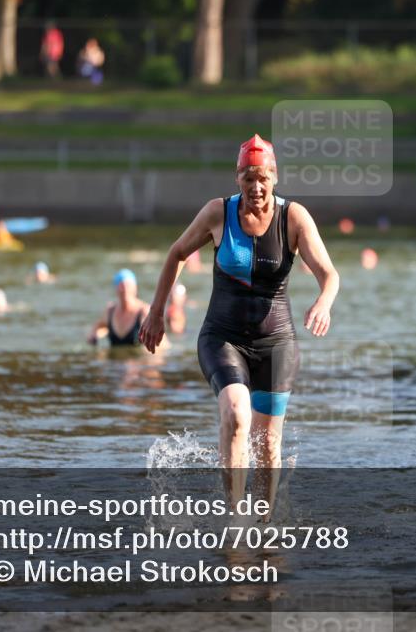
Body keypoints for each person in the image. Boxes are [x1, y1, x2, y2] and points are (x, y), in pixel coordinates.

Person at [139, 134, 340, 509]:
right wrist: (156, 311)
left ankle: (263, 520)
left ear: (275, 178)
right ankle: (234, 519)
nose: (257, 186)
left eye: (263, 177)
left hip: (276, 343)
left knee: (268, 443)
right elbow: (177, 253)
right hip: (223, 337)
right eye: (249, 177)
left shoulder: (293, 217)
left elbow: (329, 274)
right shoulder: (218, 212)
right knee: (235, 413)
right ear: (237, 179)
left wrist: (323, 303)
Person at [88, 269, 154, 348]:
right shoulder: (110, 310)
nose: (125, 289)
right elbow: (99, 327)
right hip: (114, 359)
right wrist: (94, 335)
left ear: (135, 288)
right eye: (121, 286)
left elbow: (161, 343)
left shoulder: (144, 311)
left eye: (128, 285)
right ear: (116, 289)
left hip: (137, 358)